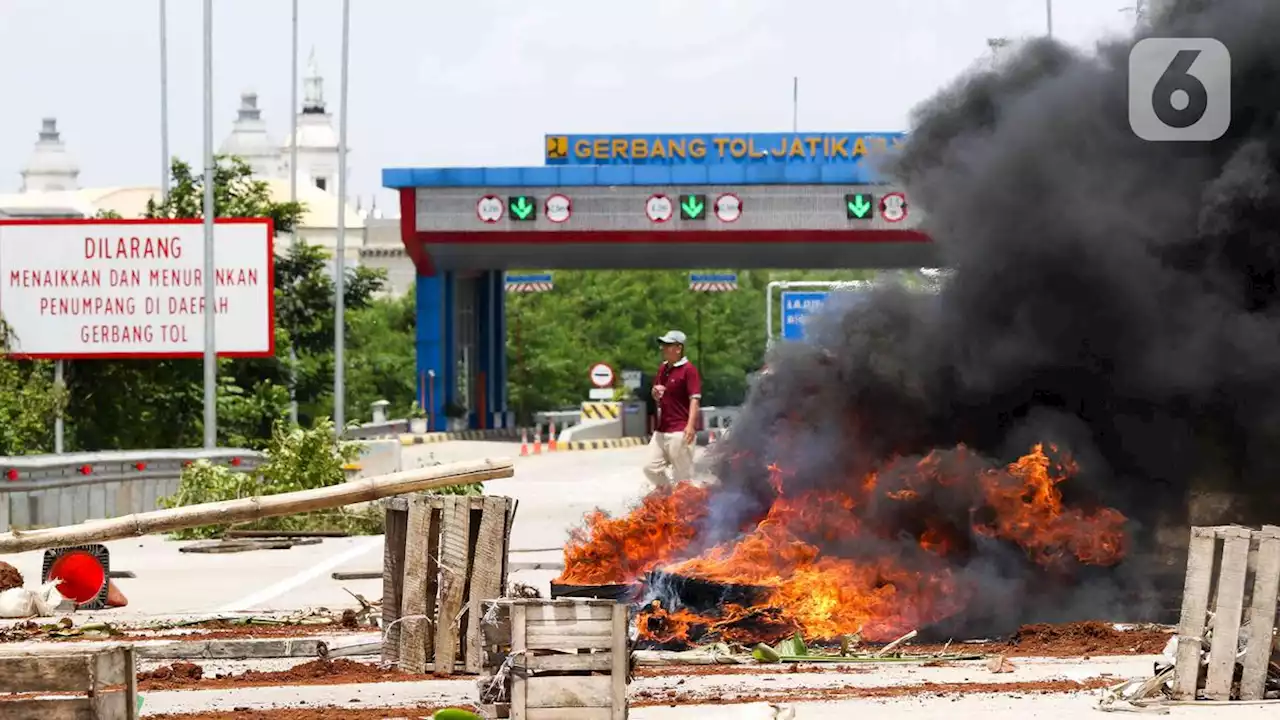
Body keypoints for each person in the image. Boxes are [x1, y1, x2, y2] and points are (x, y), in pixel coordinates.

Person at [644, 330, 702, 487]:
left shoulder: (689, 370)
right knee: (650, 467)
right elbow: (657, 393)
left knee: (682, 477)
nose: (663, 348)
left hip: (680, 431)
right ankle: (668, 496)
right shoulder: (663, 368)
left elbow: (694, 399)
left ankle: (685, 507)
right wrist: (655, 392)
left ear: (678, 348)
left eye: (668, 345)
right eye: (663, 345)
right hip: (662, 429)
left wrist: (690, 426)